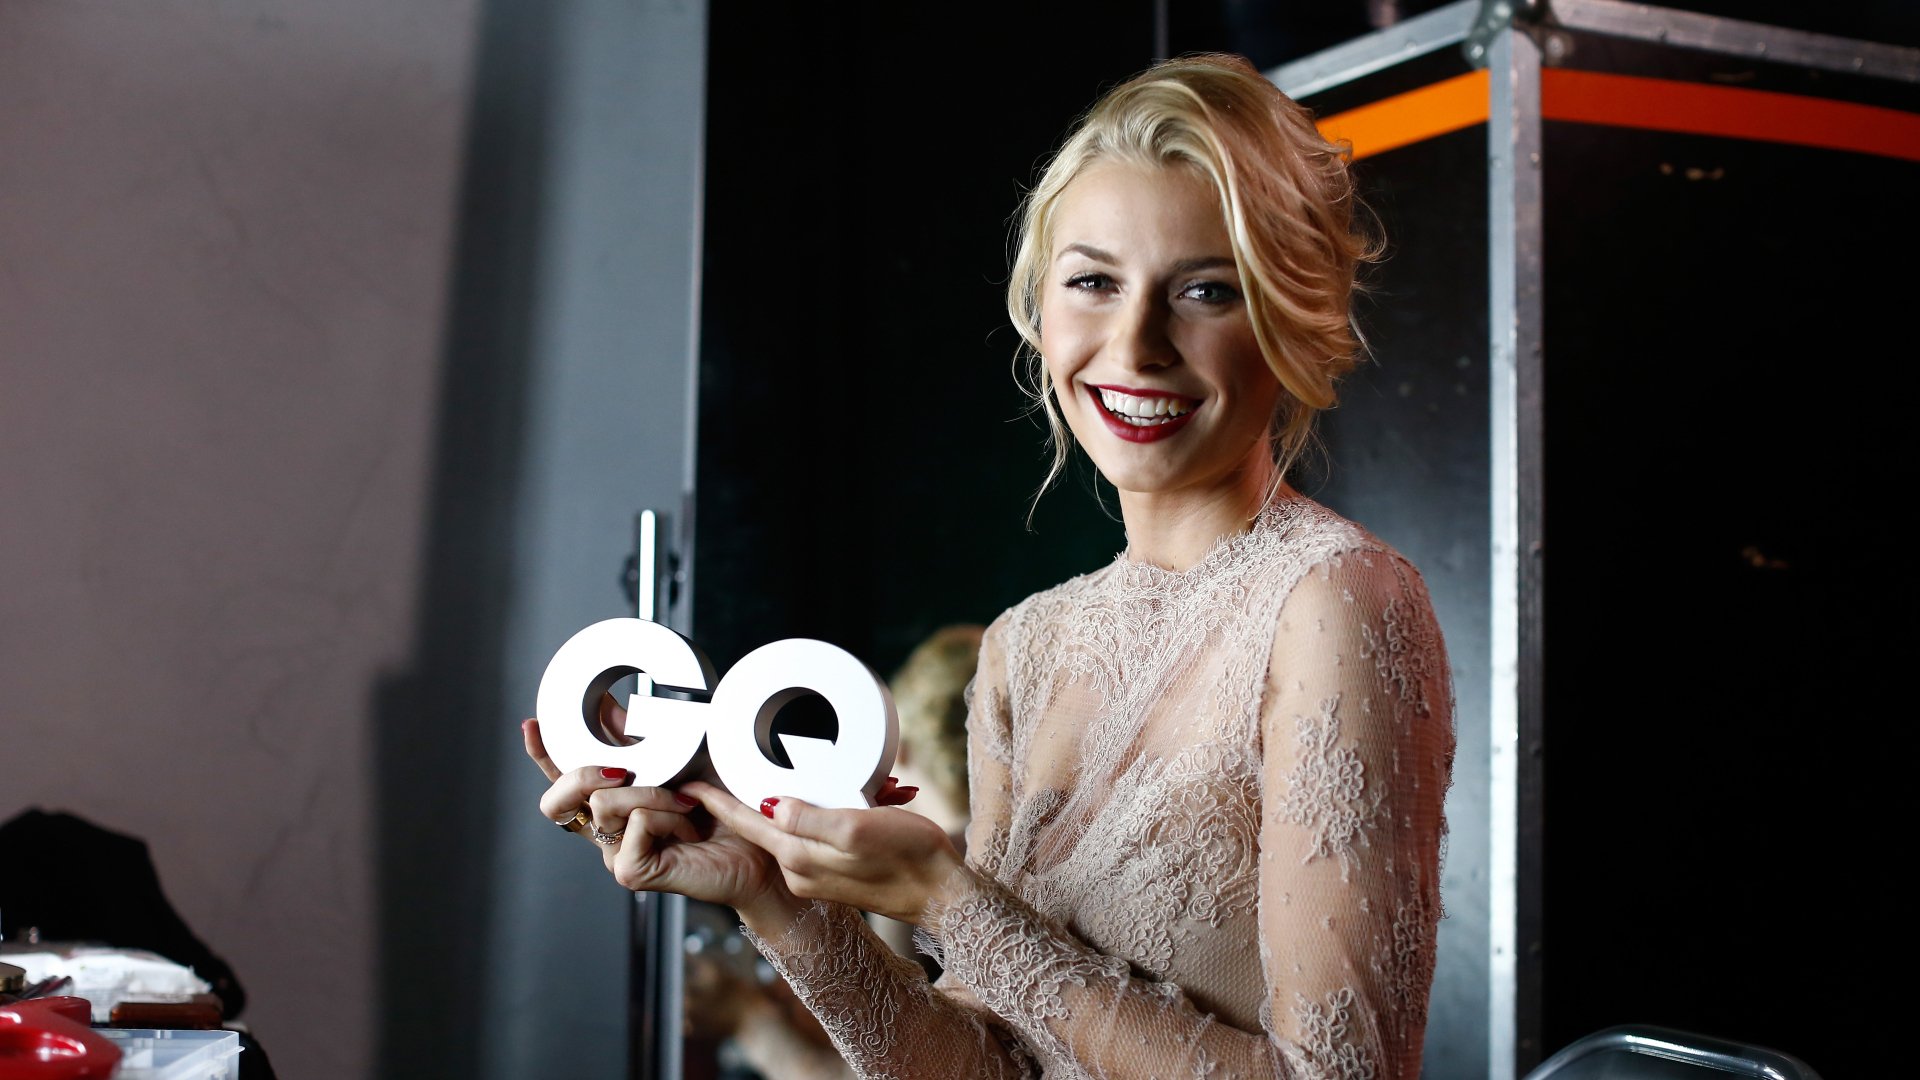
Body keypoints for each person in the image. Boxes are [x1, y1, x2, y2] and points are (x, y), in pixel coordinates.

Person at [524, 52, 1454, 1078]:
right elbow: (987, 1068)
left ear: (1289, 315)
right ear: (1041, 308)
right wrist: (772, 897)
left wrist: (948, 903)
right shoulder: (1026, 646)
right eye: (1094, 282)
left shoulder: (1335, 601)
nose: (1135, 344)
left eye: (1204, 291)